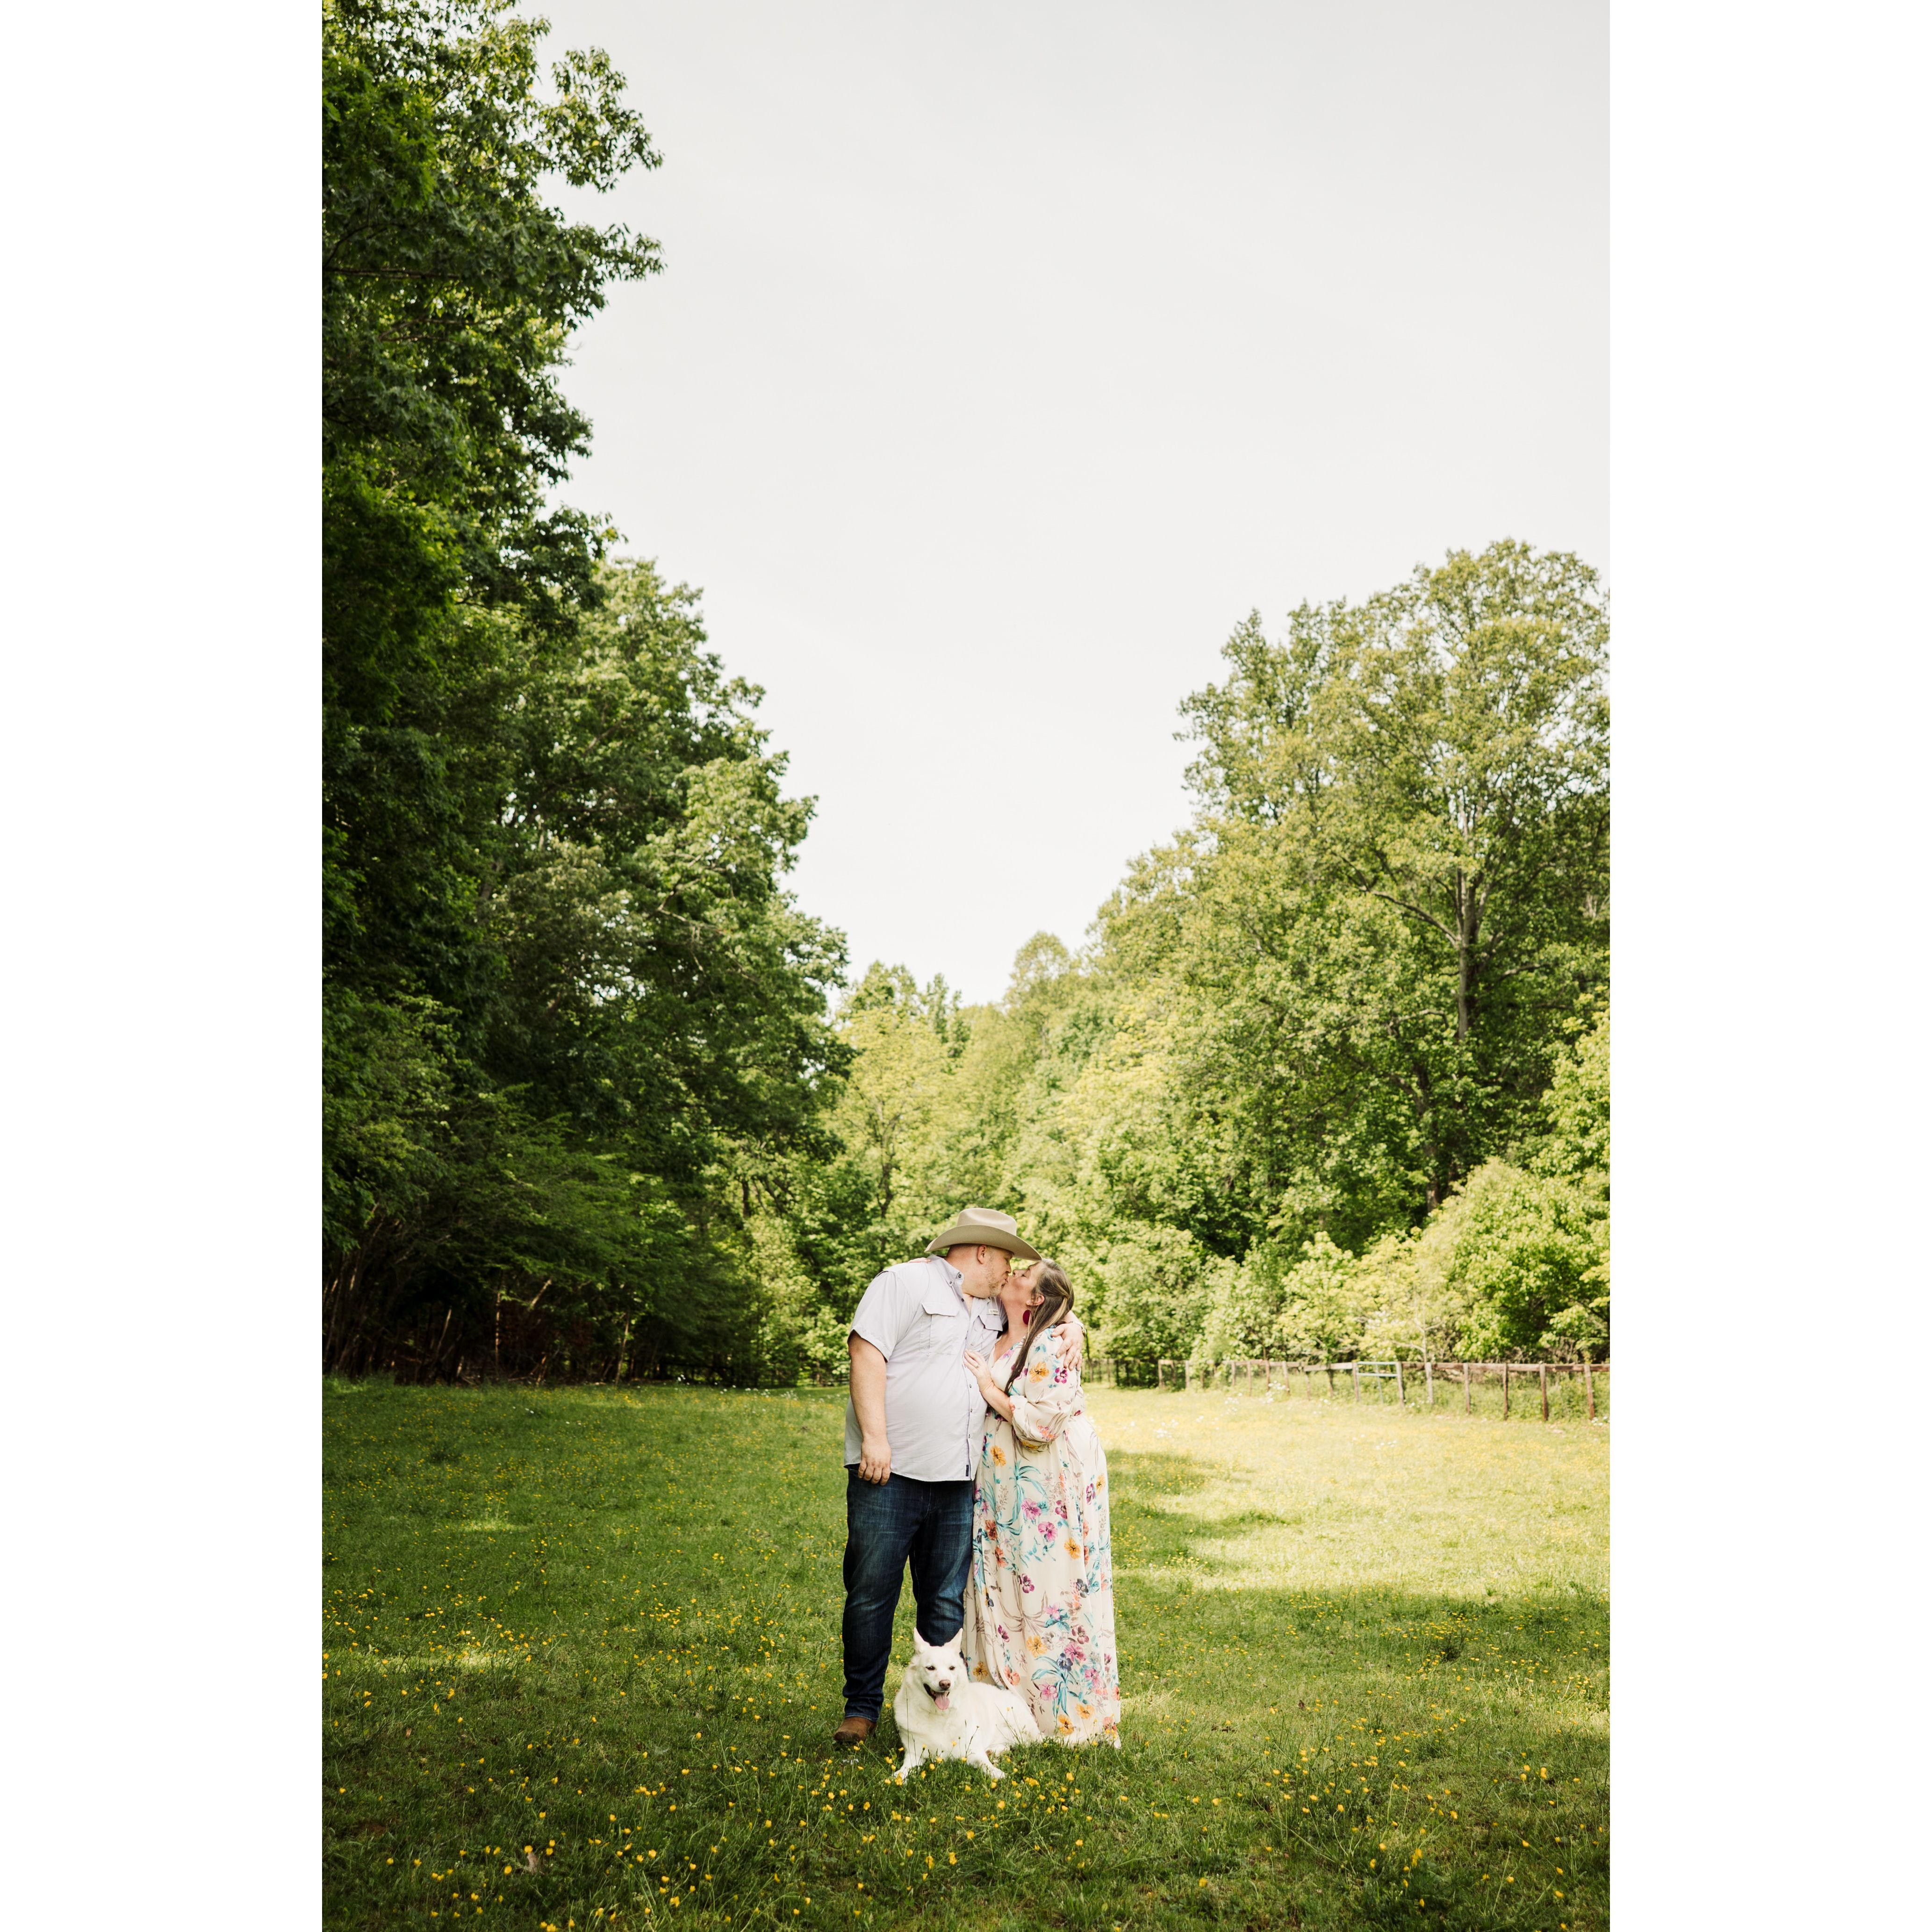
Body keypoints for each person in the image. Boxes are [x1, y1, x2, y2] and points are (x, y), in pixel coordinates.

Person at [831, 1207, 1042, 1750]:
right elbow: (866, 1351)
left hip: (956, 1479)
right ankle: (861, 1709)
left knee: (945, 1599)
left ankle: (942, 1716)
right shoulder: (904, 1281)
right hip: (889, 1470)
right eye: (1006, 1258)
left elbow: (1034, 1322)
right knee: (871, 1592)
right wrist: (875, 1438)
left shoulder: (992, 1308)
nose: (1008, 1270)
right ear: (980, 1251)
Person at [961, 1258, 1120, 1746]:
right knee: (1004, 1586)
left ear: (1034, 1299)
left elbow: (1044, 1422)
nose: (1012, 1274)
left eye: (1024, 1275)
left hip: (1042, 1488)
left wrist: (990, 1388)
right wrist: (1076, 1320)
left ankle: (1059, 1716)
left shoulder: (1051, 1342)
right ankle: (1001, 1709)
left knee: (1048, 1588)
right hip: (1001, 1490)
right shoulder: (993, 1326)